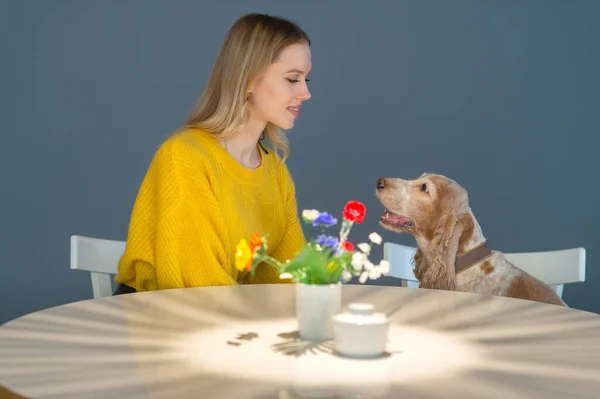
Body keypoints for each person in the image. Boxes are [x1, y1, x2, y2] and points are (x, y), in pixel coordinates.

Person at [113, 13, 312, 294]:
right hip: (156, 322)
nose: (305, 93)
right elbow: (199, 290)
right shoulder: (184, 158)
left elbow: (292, 279)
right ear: (248, 79)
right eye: (293, 79)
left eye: (307, 80)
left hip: (220, 319)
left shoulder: (275, 171)